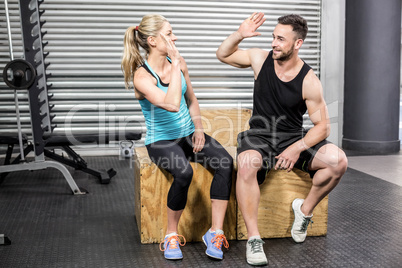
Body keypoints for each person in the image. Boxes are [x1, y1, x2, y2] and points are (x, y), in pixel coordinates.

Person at [216, 12, 348, 266]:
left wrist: (297, 148)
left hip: (292, 138)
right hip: (259, 134)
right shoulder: (259, 58)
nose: (274, 43)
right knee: (246, 164)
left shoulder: (309, 80)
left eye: (281, 39)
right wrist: (239, 35)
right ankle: (254, 238)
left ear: (297, 43)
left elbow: (323, 127)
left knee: (338, 161)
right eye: (273, 37)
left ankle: (305, 210)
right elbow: (223, 54)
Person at [121, 14, 233, 261]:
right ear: (152, 40)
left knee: (226, 163)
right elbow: (171, 104)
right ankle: (171, 235)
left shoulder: (178, 62)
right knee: (184, 173)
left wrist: (199, 128)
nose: (175, 37)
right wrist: (175, 67)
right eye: (169, 33)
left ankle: (215, 232)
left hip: (189, 135)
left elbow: (190, 99)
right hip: (161, 141)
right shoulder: (143, 76)